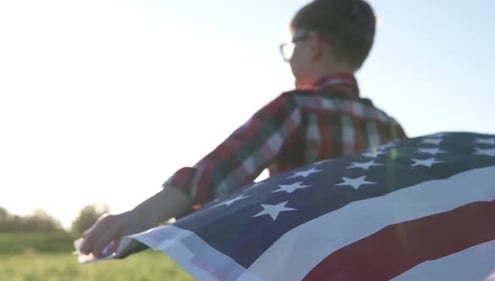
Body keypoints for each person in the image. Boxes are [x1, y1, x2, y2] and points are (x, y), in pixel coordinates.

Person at [80, 0, 407, 258]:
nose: (289, 56)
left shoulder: (297, 107)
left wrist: (140, 217)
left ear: (314, 46)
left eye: (291, 45)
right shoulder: (392, 129)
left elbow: (216, 173)